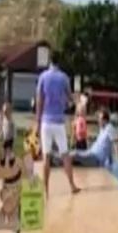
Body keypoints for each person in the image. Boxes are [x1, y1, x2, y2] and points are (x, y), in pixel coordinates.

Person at [34, 54, 80, 197]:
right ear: (60, 62)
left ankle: (46, 189)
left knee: (46, 156)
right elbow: (70, 98)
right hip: (59, 121)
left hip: (46, 122)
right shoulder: (64, 78)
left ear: (49, 61)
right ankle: (72, 185)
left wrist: (38, 121)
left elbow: (39, 99)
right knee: (65, 154)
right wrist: (74, 101)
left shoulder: (43, 77)